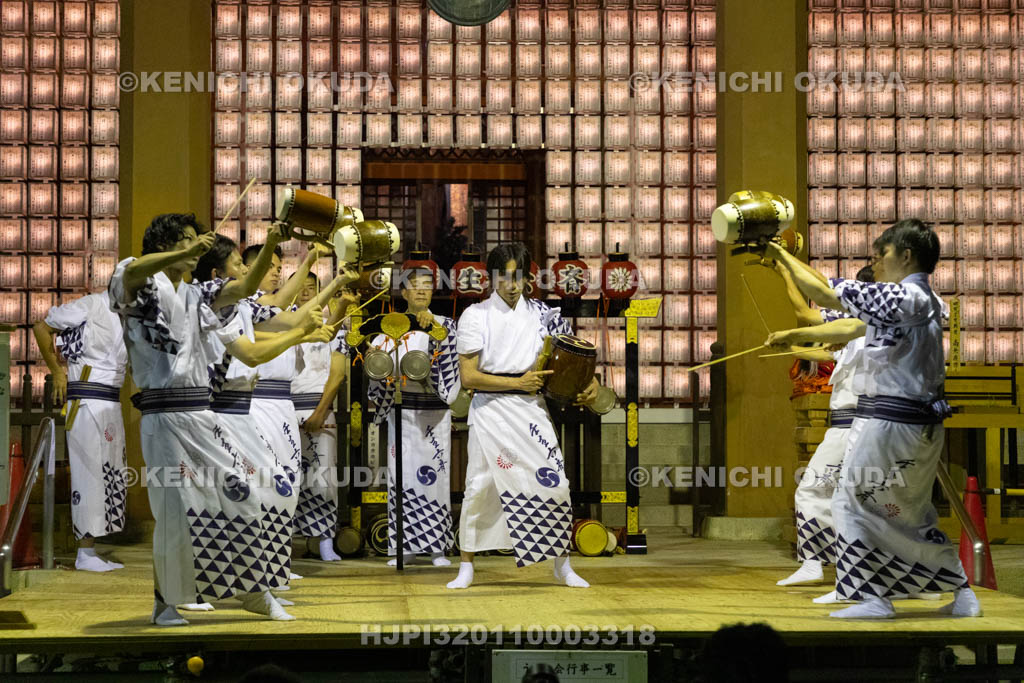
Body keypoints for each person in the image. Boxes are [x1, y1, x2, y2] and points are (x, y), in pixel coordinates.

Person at [766, 219, 980, 619]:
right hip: (911, 422)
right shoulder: (921, 301)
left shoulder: (907, 298)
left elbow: (824, 294)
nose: (877, 264)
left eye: (881, 255)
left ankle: (873, 598)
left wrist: (779, 254)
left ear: (906, 255)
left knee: (851, 502)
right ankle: (960, 592)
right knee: (906, 512)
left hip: (893, 422)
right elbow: (836, 315)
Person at [108, 213, 291, 625]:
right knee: (176, 511)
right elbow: (134, 270)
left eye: (196, 243)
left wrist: (271, 240)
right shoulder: (137, 280)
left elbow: (244, 287)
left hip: (202, 412)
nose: (196, 249)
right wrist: (182, 251)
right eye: (187, 242)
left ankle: (252, 591)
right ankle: (164, 603)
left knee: (244, 497)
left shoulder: (196, 294)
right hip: (164, 414)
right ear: (167, 246)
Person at [447, 242, 601, 590]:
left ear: (528, 278)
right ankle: (467, 565)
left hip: (530, 408)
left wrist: (589, 382)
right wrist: (515, 381)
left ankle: (562, 564)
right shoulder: (476, 315)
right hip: (489, 410)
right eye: (504, 277)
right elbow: (469, 376)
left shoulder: (544, 315)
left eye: (518, 277)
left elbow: (572, 354)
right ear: (492, 278)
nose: (511, 285)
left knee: (556, 483)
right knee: (479, 485)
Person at [772, 264, 871, 587]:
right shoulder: (860, 330)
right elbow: (823, 351)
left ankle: (869, 578)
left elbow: (808, 316)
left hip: (862, 425)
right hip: (845, 428)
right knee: (824, 493)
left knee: (862, 501)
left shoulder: (874, 324)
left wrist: (785, 268)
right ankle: (819, 564)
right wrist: (786, 345)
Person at [367, 267, 461, 567]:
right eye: (415, 287)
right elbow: (378, 371)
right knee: (401, 478)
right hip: (403, 411)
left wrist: (433, 330)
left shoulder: (445, 324)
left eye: (427, 287)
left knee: (436, 477)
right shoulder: (389, 326)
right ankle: (402, 547)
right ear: (404, 293)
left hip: (434, 414)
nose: (421, 291)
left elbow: (451, 367)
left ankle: (436, 548)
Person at [34, 290, 128, 572]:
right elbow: (42, 327)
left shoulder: (131, 315)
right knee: (88, 474)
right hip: (87, 398)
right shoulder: (92, 303)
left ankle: (92, 548)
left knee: (109, 474)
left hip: (110, 400)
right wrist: (57, 371)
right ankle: (84, 553)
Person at [292, 273, 357, 562]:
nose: (306, 293)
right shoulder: (284, 321)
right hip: (285, 405)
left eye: (312, 288)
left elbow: (338, 373)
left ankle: (324, 540)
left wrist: (321, 411)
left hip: (319, 404)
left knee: (322, 478)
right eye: (301, 288)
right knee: (287, 478)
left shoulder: (334, 325)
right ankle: (288, 542)